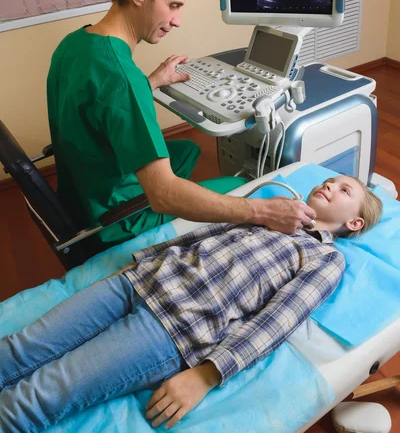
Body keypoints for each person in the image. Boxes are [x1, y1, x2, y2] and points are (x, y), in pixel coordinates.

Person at [0, 176, 383, 432]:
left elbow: (276, 321)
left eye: (344, 191)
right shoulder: (276, 212)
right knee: (19, 348)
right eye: (329, 180)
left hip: (171, 331)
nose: (329, 185)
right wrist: (135, 266)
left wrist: (207, 374)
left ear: (354, 225)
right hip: (137, 282)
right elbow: (203, 234)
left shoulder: (325, 260)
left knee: (39, 395)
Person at [46, 0, 315, 249]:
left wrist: (150, 82)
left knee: (187, 150)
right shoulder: (122, 78)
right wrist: (262, 210)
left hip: (81, 189)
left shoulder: (75, 43)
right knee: (245, 186)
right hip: (114, 218)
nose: (177, 21)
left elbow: (98, 103)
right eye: (173, 5)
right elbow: (162, 196)